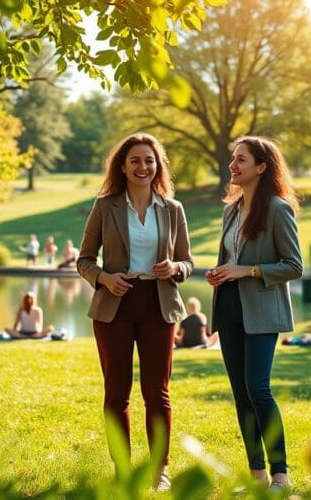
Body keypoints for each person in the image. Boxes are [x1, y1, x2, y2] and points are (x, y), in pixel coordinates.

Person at [77, 132, 194, 492]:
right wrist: (104, 278)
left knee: (157, 392)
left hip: (158, 305)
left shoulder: (173, 209)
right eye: (135, 161)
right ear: (123, 168)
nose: (143, 167)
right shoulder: (104, 206)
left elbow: (188, 262)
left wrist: (174, 268)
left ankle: (160, 470)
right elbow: (83, 260)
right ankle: (123, 470)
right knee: (117, 393)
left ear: (157, 166)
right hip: (115, 306)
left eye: (149, 160)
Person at [205, 136, 302, 491]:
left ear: (261, 166)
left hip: (261, 308)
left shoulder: (278, 209)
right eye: (233, 158)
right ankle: (257, 475)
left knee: (258, 387)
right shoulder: (230, 209)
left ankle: (281, 474)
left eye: (241, 159)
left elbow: (294, 266)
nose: (233, 165)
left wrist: (247, 271)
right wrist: (219, 272)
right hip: (229, 305)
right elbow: (230, 260)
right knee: (240, 392)